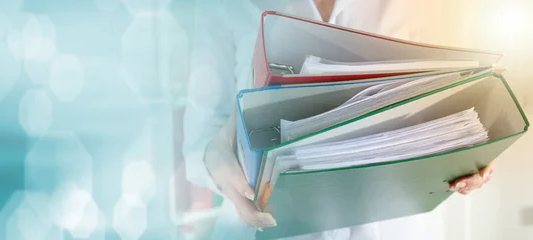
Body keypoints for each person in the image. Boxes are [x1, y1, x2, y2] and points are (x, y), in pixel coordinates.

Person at [183, 0, 495, 239]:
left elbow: (457, 96)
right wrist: (218, 162)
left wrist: (472, 149)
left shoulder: (425, 7)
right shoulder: (225, 5)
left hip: (395, 227)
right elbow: (198, 144)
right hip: (265, 226)